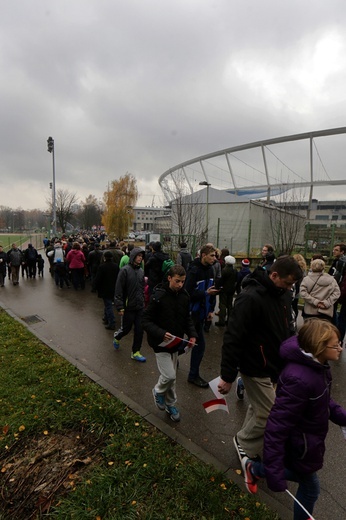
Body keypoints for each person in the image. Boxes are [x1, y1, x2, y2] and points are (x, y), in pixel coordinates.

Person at [242, 319, 346, 520]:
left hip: (308, 440)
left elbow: (323, 398)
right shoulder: (299, 379)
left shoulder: (319, 367)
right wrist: (273, 469)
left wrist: (342, 417)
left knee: (300, 476)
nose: (340, 348)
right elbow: (276, 427)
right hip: (299, 444)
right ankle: (258, 468)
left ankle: (254, 468)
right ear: (319, 346)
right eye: (336, 344)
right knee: (310, 488)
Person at [218, 256, 303, 461]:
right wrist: (227, 376)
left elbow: (287, 327)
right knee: (271, 414)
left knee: (259, 409)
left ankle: (250, 445)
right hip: (255, 366)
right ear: (274, 275)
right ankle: (244, 442)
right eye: (288, 282)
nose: (290, 288)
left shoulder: (282, 294)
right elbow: (233, 336)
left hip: (275, 365)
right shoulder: (250, 298)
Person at [142, 265, 197, 422]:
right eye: (177, 281)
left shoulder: (184, 296)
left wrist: (192, 335)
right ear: (169, 278)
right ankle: (158, 391)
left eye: (183, 282)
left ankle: (170, 405)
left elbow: (187, 318)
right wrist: (160, 333)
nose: (180, 285)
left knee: (171, 379)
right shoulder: (158, 296)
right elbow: (145, 320)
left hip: (176, 343)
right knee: (170, 375)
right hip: (160, 344)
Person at [185, 244, 220, 388]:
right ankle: (193, 376)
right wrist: (205, 293)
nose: (214, 259)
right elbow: (187, 293)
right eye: (212, 256)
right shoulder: (194, 271)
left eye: (215, 256)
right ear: (203, 255)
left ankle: (172, 354)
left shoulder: (210, 269)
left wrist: (210, 310)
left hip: (202, 313)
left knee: (192, 342)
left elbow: (211, 290)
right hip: (192, 313)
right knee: (199, 344)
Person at [113, 247, 146, 362]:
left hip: (139, 306)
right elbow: (118, 289)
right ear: (133, 257)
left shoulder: (141, 271)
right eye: (138, 256)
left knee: (139, 329)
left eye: (141, 256)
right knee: (126, 329)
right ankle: (117, 337)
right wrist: (120, 306)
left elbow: (142, 288)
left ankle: (136, 352)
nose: (140, 258)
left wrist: (143, 301)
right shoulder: (125, 270)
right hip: (128, 307)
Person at [93, 251, 119, 330]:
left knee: (108, 306)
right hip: (114, 288)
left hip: (105, 289)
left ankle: (112, 323)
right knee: (108, 304)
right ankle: (106, 318)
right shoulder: (116, 266)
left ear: (105, 257)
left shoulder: (102, 267)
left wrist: (94, 287)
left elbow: (98, 278)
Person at [215, 255, 237, 327]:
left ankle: (221, 321)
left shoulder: (225, 270)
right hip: (232, 289)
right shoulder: (235, 270)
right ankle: (229, 321)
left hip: (225, 289)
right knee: (230, 305)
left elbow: (221, 280)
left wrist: (217, 287)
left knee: (223, 305)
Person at [291, 254, 307, 319]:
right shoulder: (304, 268)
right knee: (295, 305)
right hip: (299, 289)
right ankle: (295, 319)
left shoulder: (294, 267)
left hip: (294, 288)